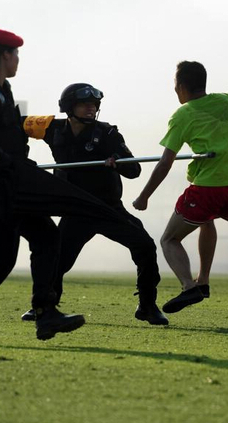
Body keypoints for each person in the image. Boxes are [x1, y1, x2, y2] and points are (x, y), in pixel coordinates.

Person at [0, 29, 120, 344]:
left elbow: (15, 127)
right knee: (1, 262)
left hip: (15, 186)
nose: (18, 61)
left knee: (46, 237)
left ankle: (45, 312)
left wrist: (52, 126)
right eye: (15, 55)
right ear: (4, 55)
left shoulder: (5, 91)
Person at [20, 83, 167, 325]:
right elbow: (17, 124)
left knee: (145, 246)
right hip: (75, 208)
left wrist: (118, 162)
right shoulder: (51, 127)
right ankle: (46, 306)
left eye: (94, 105)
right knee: (56, 258)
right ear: (69, 107)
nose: (91, 108)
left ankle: (148, 306)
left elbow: (134, 169)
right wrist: (19, 158)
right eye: (84, 104)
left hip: (107, 208)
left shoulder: (108, 133)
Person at [132, 61, 228, 313]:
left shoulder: (183, 114)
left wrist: (143, 196)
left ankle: (189, 287)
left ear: (181, 87)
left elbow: (165, 162)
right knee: (206, 221)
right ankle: (204, 281)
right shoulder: (227, 102)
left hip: (211, 186)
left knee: (169, 239)